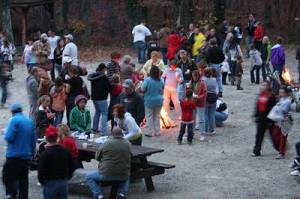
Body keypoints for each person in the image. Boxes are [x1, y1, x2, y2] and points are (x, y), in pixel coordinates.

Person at [85, 127, 131, 199]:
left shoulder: (106, 143)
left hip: (106, 173)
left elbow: (97, 157)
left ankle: (99, 195)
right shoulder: (128, 144)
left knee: (89, 177)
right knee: (127, 177)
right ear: (122, 134)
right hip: (123, 173)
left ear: (112, 134)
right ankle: (122, 194)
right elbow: (130, 156)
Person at [2, 103, 36, 199]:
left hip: (14, 155)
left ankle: (13, 194)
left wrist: (5, 134)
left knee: (6, 176)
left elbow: (9, 137)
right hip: (26, 155)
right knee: (23, 181)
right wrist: (31, 153)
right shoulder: (30, 121)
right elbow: (33, 140)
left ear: (12, 112)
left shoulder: (14, 120)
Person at [38, 126, 74, 199]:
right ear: (57, 136)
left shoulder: (45, 154)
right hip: (63, 181)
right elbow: (71, 166)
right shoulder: (65, 150)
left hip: (50, 182)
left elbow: (41, 171)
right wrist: (68, 177)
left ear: (47, 138)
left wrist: (42, 182)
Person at [252, 81, 276, 157]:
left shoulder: (271, 96)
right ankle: (256, 151)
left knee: (273, 136)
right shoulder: (260, 95)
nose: (264, 87)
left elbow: (273, 108)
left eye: (265, 85)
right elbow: (257, 106)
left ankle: (280, 148)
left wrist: (272, 119)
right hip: (261, 119)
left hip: (269, 119)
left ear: (268, 86)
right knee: (259, 136)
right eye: (262, 85)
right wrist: (255, 115)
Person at [141, 65, 164, 137]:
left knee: (149, 116)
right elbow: (163, 89)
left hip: (149, 101)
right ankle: (157, 131)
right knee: (157, 116)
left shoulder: (148, 80)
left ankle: (149, 132)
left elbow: (143, 89)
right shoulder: (160, 80)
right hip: (159, 100)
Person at [88, 63, 111, 133]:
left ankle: (94, 128)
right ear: (103, 69)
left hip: (94, 98)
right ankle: (103, 130)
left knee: (97, 113)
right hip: (102, 98)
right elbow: (108, 87)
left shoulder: (93, 76)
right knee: (104, 113)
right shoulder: (104, 77)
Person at [271, 86, 292, 159]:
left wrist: (277, 106)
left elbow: (283, 110)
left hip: (285, 120)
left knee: (283, 136)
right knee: (275, 134)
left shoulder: (288, 101)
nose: (280, 94)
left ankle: (281, 152)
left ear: (286, 93)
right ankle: (282, 146)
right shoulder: (282, 99)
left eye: (282, 92)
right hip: (279, 120)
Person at [190, 70, 207, 140]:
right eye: (193, 76)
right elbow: (188, 92)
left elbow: (205, 94)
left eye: (195, 76)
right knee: (192, 119)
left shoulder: (202, 83)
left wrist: (198, 97)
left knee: (201, 119)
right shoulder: (191, 83)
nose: (194, 78)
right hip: (193, 103)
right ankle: (192, 133)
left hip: (200, 103)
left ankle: (202, 134)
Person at [203, 67, 217, 135]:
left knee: (205, 114)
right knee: (212, 114)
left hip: (206, 97)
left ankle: (205, 129)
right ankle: (212, 129)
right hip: (213, 96)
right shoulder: (214, 80)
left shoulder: (203, 80)